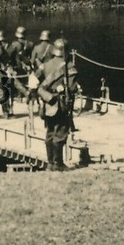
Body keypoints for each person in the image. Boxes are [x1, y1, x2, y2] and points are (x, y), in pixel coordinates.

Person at [36, 38, 79, 171]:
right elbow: (72, 88)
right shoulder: (69, 67)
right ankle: (58, 164)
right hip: (61, 104)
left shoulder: (45, 65)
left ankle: (50, 163)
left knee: (49, 132)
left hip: (48, 103)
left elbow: (35, 81)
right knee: (60, 133)